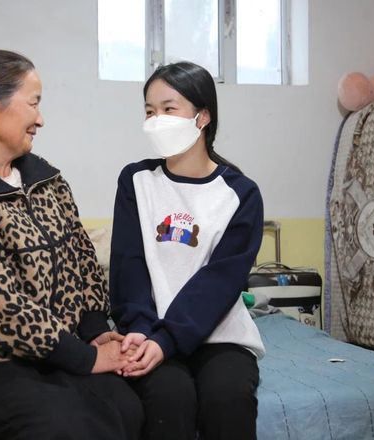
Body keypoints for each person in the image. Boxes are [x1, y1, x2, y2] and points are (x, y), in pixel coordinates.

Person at [0, 49, 142, 440]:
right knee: (66, 424)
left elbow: (82, 259)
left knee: (126, 406)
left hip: (53, 352)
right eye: (33, 104)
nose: (40, 119)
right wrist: (86, 358)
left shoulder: (47, 180)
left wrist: (94, 331)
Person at [109, 61, 265, 440]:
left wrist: (168, 340)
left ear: (202, 117)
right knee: (168, 397)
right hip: (149, 332)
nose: (156, 120)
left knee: (227, 398)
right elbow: (128, 267)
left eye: (168, 108)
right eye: (149, 111)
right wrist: (142, 332)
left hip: (220, 337)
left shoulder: (240, 194)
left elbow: (220, 282)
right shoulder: (136, 181)